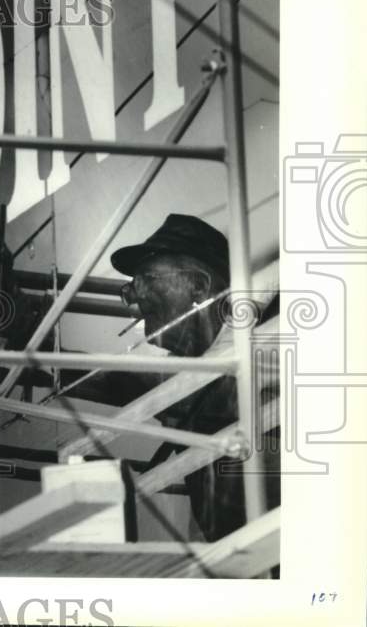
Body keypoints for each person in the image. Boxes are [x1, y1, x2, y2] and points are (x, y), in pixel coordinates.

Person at [109, 213, 279, 542]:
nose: (132, 293)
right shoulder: (186, 371)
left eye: (146, 278)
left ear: (198, 285)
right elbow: (124, 384)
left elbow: (227, 389)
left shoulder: (271, 330)